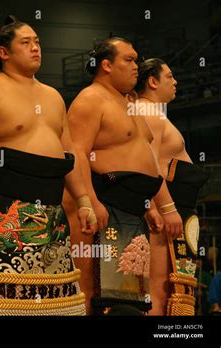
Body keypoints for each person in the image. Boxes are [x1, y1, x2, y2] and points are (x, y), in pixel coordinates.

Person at [0, 15, 97, 316]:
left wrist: (83, 200)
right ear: (3, 52)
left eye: (37, 42)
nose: (36, 48)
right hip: (4, 200)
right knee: (0, 290)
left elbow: (67, 155)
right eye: (26, 42)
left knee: (53, 291)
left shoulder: (54, 97)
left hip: (52, 204)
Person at [66, 37, 184, 314]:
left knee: (129, 297)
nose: (136, 66)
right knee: (90, 290)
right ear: (106, 65)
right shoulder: (90, 99)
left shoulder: (129, 103)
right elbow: (77, 154)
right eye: (129, 60)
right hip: (103, 202)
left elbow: (144, 154)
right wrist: (90, 202)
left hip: (134, 208)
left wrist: (155, 206)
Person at [135, 58, 209, 315]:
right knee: (159, 287)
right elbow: (148, 165)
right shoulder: (147, 111)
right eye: (170, 76)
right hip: (166, 213)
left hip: (178, 209)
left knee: (174, 287)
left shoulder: (155, 113)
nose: (176, 82)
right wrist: (160, 209)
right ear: (153, 81)